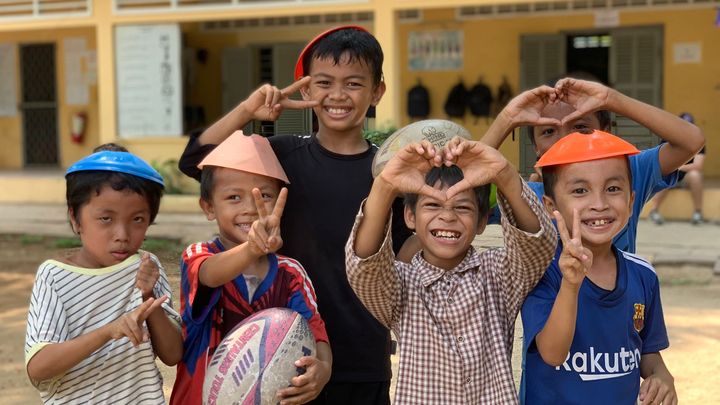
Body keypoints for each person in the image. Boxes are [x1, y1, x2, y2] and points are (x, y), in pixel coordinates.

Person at [177, 26, 412, 404]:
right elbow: (196, 162)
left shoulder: (387, 174)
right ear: (306, 90)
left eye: (353, 83)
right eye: (324, 82)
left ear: (377, 92)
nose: (337, 95)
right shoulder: (280, 154)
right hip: (282, 358)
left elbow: (404, 255)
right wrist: (248, 111)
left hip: (364, 357)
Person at [345, 138, 557, 404]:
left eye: (462, 207)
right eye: (432, 205)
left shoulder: (497, 273)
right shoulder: (401, 284)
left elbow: (538, 246)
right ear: (410, 216)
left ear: (482, 222)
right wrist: (385, 186)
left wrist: (504, 174)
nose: (448, 216)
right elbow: (364, 267)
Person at [170, 132, 331, 405]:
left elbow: (315, 331)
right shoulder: (199, 255)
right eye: (234, 197)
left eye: (264, 196)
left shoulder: (290, 272)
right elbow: (209, 274)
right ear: (208, 207)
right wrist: (251, 249)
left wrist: (323, 370)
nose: (250, 209)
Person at [521, 130, 676, 405]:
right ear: (550, 206)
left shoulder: (643, 275)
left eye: (613, 189)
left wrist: (661, 375)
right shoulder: (543, 270)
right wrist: (571, 284)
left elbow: (647, 352)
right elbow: (552, 353)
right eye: (580, 191)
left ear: (630, 202)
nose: (599, 204)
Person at [24, 149, 183, 404]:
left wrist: (148, 296)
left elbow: (173, 354)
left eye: (138, 219)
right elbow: (39, 368)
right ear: (75, 219)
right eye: (106, 219)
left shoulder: (147, 266)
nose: (122, 234)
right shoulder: (54, 276)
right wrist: (109, 331)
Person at [482, 77, 705, 252]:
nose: (566, 140)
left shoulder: (630, 172)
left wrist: (612, 99)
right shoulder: (527, 198)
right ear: (536, 148)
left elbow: (690, 142)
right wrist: (507, 119)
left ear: (605, 132)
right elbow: (454, 195)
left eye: (579, 126)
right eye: (548, 131)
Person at [649, 113, 706, 225]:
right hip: (671, 174)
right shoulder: (668, 139)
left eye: (689, 126)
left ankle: (698, 213)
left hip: (685, 176)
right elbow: (660, 162)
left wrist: (678, 167)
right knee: (664, 175)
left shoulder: (698, 141)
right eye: (683, 126)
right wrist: (673, 168)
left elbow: (698, 165)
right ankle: (654, 211)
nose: (685, 130)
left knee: (695, 175)